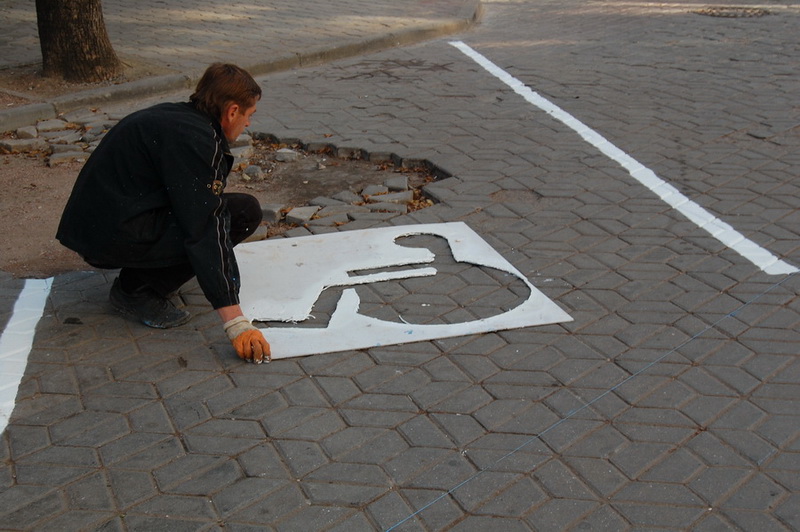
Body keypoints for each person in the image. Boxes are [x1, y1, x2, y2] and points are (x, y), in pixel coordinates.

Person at [56, 63, 270, 364]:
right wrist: (235, 321)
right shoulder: (197, 139)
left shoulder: (180, 119)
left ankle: (142, 276)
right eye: (249, 115)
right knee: (240, 215)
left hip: (100, 224)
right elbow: (205, 227)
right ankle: (135, 290)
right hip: (109, 235)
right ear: (232, 111)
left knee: (230, 211)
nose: (248, 124)